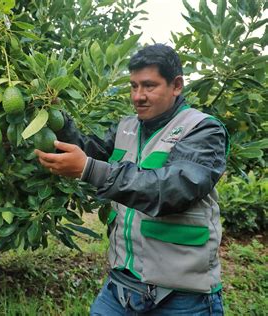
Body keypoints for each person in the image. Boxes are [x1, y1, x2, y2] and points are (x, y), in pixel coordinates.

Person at [35, 44, 228, 315]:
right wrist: (59, 121)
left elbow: (172, 189)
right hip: (122, 287)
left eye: (149, 86)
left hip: (182, 298)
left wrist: (89, 169)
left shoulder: (202, 130)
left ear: (177, 86)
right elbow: (93, 153)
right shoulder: (127, 127)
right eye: (133, 86)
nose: (138, 96)